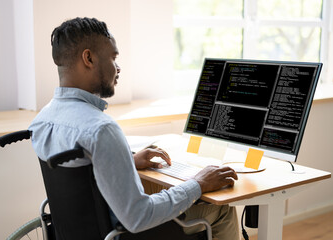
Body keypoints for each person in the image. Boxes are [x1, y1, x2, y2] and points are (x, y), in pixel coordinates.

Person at [29, 17, 239, 240]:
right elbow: (138, 216)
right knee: (222, 209)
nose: (118, 68)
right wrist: (198, 183)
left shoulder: (43, 120)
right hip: (125, 233)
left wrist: (126, 160)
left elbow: (83, 178)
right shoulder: (101, 128)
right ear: (88, 58)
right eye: (113, 57)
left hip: (83, 232)